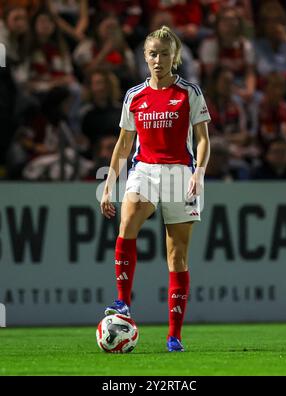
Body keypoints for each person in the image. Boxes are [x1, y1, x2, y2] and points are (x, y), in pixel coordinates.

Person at [100, 26, 211, 352]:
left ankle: (174, 335)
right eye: (152, 54)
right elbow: (123, 145)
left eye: (164, 54)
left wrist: (199, 173)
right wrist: (108, 187)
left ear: (173, 57)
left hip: (180, 173)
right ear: (145, 57)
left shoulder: (188, 92)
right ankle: (123, 303)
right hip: (144, 169)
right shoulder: (135, 96)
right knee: (128, 219)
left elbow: (203, 139)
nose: (158, 60)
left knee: (177, 257)